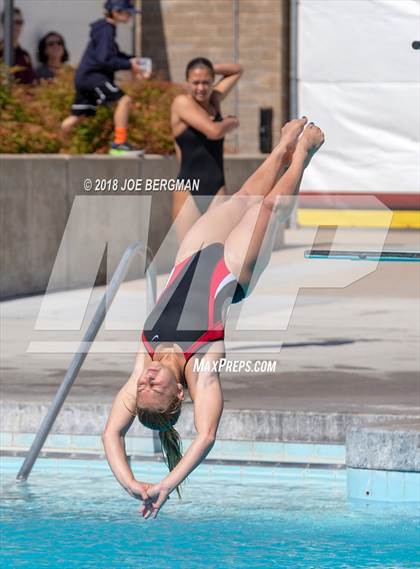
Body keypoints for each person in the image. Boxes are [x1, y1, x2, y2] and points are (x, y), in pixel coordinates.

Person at [102, 117, 325, 519]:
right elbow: (206, 436)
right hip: (232, 273)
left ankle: (280, 151)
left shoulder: (144, 361)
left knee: (240, 198)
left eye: (143, 384)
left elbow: (111, 433)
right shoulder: (202, 369)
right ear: (178, 394)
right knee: (268, 207)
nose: (147, 378)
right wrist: (167, 485)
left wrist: (131, 484)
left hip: (191, 257)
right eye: (155, 386)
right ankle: (303, 157)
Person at [61, 0, 148, 155]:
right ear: (116, 12)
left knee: (77, 117)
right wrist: (129, 66)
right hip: (93, 77)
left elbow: (113, 54)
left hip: (86, 78)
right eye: (127, 11)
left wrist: (131, 60)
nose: (130, 15)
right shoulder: (106, 30)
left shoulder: (105, 29)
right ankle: (119, 144)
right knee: (124, 100)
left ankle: (56, 143)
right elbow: (105, 59)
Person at [171, 57, 242, 239]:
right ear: (187, 82)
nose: (201, 88)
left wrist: (207, 68)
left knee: (215, 251)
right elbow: (213, 131)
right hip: (188, 188)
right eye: (195, 82)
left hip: (217, 186)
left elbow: (237, 70)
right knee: (187, 258)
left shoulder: (214, 100)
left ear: (212, 82)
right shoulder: (182, 103)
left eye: (206, 82)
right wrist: (231, 122)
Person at [0, 6, 36, 84]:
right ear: (3, 24)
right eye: (12, 22)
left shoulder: (25, 55)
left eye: (19, 22)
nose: (16, 26)